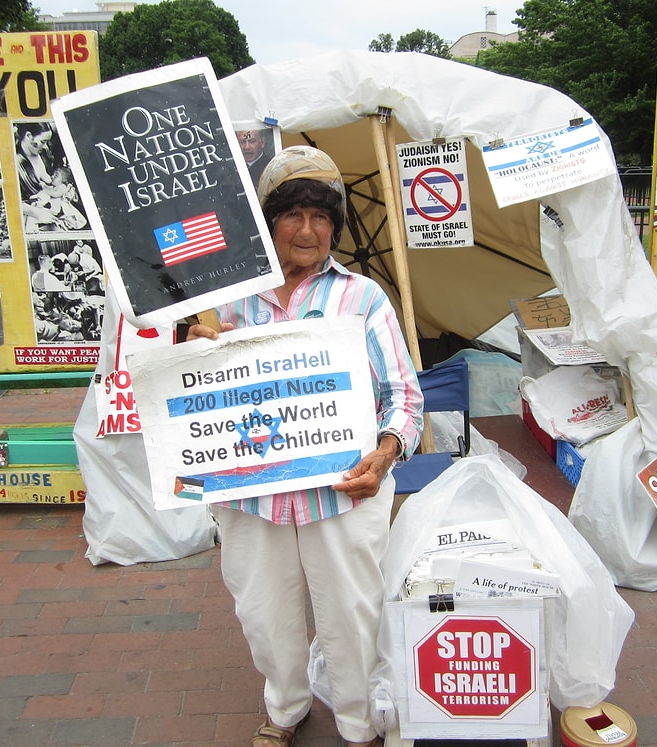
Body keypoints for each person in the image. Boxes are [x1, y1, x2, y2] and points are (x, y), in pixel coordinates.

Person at [186, 146, 424, 747]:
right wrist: (192, 347)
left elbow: (404, 397)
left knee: (352, 615)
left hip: (345, 491)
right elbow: (187, 395)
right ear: (268, 222)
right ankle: (286, 711)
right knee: (265, 616)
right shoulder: (225, 300)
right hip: (252, 500)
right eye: (293, 214)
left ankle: (356, 723)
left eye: (322, 218)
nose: (309, 230)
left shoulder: (363, 298)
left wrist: (387, 450)